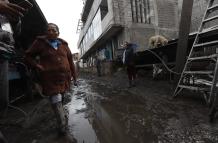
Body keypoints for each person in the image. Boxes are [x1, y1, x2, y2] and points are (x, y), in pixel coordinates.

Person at [25, 23, 77, 135]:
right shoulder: (40, 43)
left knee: (61, 97)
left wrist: (74, 77)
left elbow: (71, 62)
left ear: (58, 33)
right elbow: (28, 55)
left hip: (64, 78)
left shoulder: (64, 45)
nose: (50, 32)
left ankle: (62, 115)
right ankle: (62, 127)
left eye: (53, 30)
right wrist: (37, 65)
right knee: (55, 99)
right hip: (49, 78)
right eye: (48, 30)